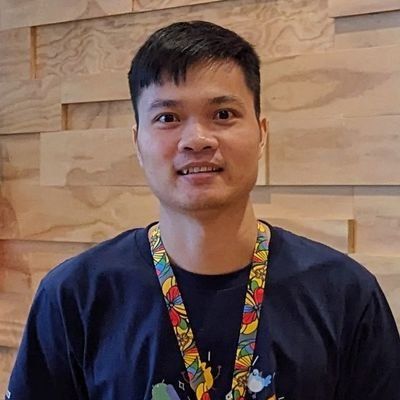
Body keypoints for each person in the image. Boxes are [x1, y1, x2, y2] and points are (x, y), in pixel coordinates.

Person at [5, 20, 400, 400]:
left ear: (261, 133)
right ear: (137, 142)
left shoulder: (344, 293)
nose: (196, 139)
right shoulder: (76, 295)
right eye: (168, 118)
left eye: (223, 114)